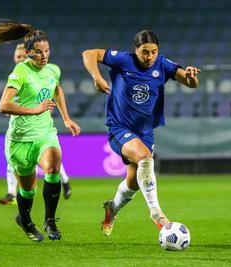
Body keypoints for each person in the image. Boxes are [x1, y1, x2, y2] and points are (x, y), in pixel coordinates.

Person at [82, 30, 200, 236]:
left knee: (134, 182)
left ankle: (112, 209)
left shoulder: (162, 64)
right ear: (135, 50)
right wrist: (96, 77)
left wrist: (191, 77)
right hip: (120, 128)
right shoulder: (123, 60)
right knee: (145, 159)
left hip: (145, 132)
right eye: (145, 52)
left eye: (154, 52)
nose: (149, 57)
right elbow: (89, 53)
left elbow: (191, 84)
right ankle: (156, 213)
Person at [0, 20, 81, 242]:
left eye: (47, 51)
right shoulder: (21, 70)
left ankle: (49, 220)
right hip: (19, 140)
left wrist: (66, 118)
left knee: (54, 163)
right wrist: (35, 109)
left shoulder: (53, 70)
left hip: (44, 134)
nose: (44, 56)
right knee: (28, 190)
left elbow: (57, 89)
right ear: (28, 53)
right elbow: (3, 105)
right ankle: (25, 220)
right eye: (38, 52)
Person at [0, 43, 72, 205]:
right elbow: (5, 105)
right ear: (14, 58)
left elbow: (54, 89)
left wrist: (62, 116)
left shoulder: (45, 71)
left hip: (40, 128)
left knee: (51, 161)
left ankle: (64, 183)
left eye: (22, 57)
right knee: (20, 170)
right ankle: (14, 197)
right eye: (17, 57)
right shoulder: (17, 76)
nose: (20, 59)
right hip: (20, 130)